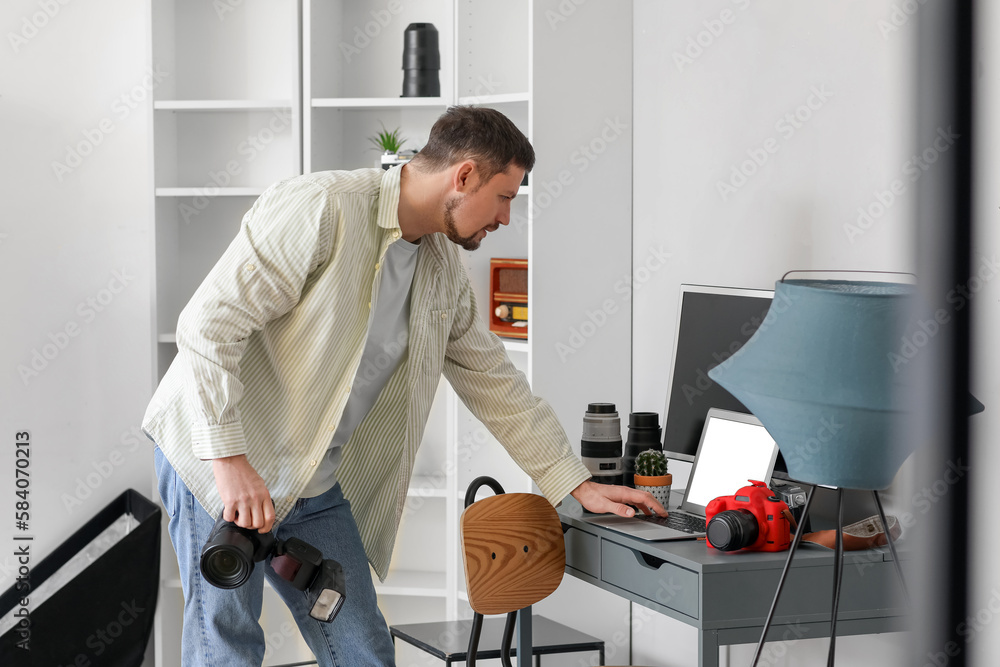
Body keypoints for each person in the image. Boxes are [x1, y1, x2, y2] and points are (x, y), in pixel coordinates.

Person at [143, 105, 666, 667]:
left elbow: (498, 385)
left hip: (312, 482)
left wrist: (578, 485)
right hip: (217, 455)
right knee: (227, 645)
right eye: (505, 196)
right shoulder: (323, 207)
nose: (507, 218)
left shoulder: (440, 270)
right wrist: (230, 460)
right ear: (463, 176)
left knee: (362, 648)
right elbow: (206, 326)